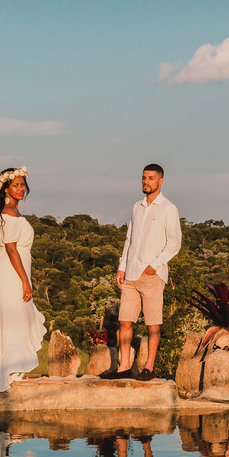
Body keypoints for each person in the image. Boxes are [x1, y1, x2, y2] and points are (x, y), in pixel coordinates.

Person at [101, 163, 182, 381]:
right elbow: (129, 239)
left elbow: (174, 243)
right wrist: (121, 266)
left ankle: (149, 367)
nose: (146, 182)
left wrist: (154, 265)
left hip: (151, 275)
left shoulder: (168, 208)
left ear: (161, 181)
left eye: (151, 178)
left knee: (152, 324)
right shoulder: (137, 207)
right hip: (130, 274)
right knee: (125, 322)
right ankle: (124, 367)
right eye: (144, 178)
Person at [0, 167, 47, 392]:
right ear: (5, 189)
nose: (20, 189)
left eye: (22, 185)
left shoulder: (12, 211)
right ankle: (11, 371)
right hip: (10, 270)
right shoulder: (9, 212)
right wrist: (25, 280)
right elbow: (11, 249)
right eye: (16, 185)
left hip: (13, 267)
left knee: (18, 315)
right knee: (15, 315)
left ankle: (14, 370)